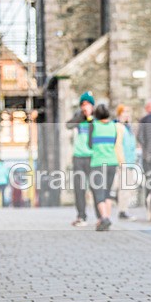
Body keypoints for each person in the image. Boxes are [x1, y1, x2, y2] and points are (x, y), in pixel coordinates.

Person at [89, 104, 125, 231]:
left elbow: (89, 144)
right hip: (112, 162)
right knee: (107, 192)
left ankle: (104, 218)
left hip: (98, 163)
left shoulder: (93, 125)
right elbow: (115, 142)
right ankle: (106, 219)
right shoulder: (114, 126)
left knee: (98, 192)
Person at [66, 91, 98, 226]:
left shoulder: (96, 117)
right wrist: (81, 116)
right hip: (78, 156)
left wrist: (90, 117)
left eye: (87, 104)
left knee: (95, 187)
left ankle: (100, 216)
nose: (85, 107)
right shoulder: (78, 117)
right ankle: (81, 216)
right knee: (79, 188)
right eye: (83, 104)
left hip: (92, 156)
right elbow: (68, 125)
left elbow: (97, 129)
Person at [115, 104, 138, 221]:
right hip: (124, 162)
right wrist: (122, 161)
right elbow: (118, 145)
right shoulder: (119, 127)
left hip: (130, 162)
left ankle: (124, 209)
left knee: (127, 188)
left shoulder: (128, 127)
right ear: (119, 114)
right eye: (124, 112)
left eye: (128, 112)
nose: (127, 115)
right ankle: (122, 211)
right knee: (124, 188)